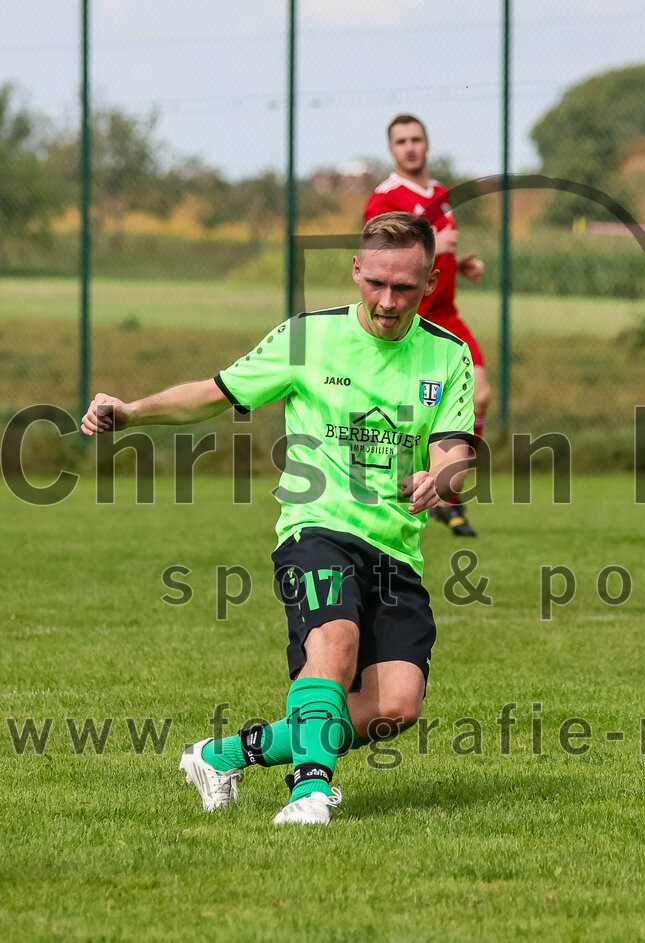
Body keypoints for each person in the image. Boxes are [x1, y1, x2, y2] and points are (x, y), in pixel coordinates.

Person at [80, 212, 475, 826]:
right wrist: (130, 412)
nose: (388, 301)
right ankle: (309, 793)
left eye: (404, 288)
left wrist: (439, 478)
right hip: (315, 530)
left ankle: (223, 754)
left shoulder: (447, 355)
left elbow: (455, 451)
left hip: (396, 550)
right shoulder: (308, 338)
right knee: (334, 646)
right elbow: (214, 391)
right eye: (376, 284)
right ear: (355, 271)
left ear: (430, 282)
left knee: (396, 705)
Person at [365, 114, 487, 538]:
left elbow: (432, 254)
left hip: (447, 314)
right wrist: (438, 238)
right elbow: (385, 255)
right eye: (401, 141)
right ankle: (417, 487)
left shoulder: (441, 193)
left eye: (416, 139)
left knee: (482, 394)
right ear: (391, 150)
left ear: (428, 143)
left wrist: (458, 263)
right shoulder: (384, 197)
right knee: (404, 408)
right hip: (408, 318)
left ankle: (444, 490)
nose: (410, 147)